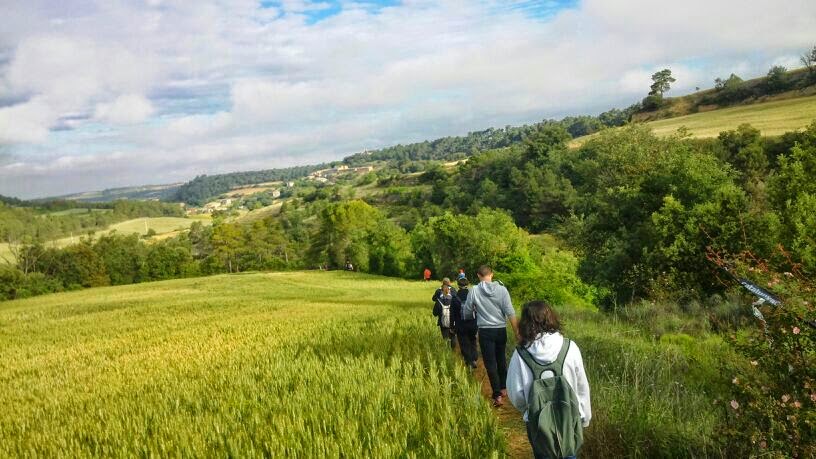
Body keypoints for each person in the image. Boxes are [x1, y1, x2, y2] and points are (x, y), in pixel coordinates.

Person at [506, 300, 591, 459]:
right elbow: (582, 387)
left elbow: (516, 395)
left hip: (538, 424)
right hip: (569, 420)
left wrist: (528, 409)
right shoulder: (570, 347)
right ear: (551, 318)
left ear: (524, 323)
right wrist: (584, 417)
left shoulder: (521, 355)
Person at [463, 265, 519, 407]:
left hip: (485, 331)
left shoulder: (474, 291)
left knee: (490, 363)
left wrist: (474, 312)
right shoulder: (502, 289)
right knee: (501, 358)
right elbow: (510, 312)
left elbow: (467, 312)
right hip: (501, 330)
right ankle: (504, 387)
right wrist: (517, 332)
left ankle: (497, 395)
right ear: (491, 274)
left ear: (478, 275)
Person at [452, 277, 478, 368]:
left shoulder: (455, 297)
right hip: (473, 323)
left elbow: (453, 314)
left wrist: (452, 326)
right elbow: (477, 310)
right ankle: (474, 358)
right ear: (468, 284)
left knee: (464, 343)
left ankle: (469, 360)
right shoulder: (472, 295)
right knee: (473, 340)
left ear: (458, 285)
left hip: (461, 325)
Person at [432, 283, 458, 349]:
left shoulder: (438, 301)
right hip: (453, 322)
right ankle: (453, 350)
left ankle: (447, 351)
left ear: (442, 291)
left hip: (443, 322)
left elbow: (434, 313)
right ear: (449, 291)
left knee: (445, 337)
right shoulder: (454, 300)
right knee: (453, 336)